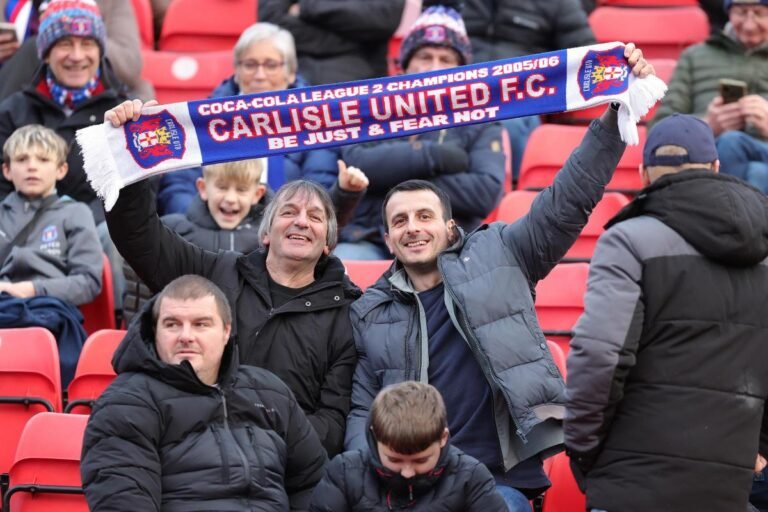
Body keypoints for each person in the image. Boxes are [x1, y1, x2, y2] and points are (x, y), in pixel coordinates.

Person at [344, 43, 655, 510]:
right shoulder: (370, 310)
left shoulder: (501, 252)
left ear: (450, 227)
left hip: (499, 479)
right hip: (412, 484)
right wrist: (362, 483)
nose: (413, 228)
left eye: (424, 216)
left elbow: (567, 199)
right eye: (400, 221)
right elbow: (361, 409)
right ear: (387, 239)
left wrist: (614, 114)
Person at [104, 98, 362, 457]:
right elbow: (140, 239)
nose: (301, 221)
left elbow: (333, 425)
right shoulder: (218, 272)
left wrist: (262, 438)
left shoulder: (348, 313)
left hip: (282, 467)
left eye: (315, 217)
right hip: (195, 452)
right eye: (288, 212)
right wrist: (132, 153)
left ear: (328, 244)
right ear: (266, 234)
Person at [564, 114, 768, 512]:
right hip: (728, 488)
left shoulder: (627, 240)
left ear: (643, 175)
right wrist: (756, 449)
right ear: (715, 167)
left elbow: (600, 357)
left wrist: (583, 450)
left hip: (631, 487)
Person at [81, 274, 327, 511]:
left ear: (226, 332)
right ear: (155, 332)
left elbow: (313, 485)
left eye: (201, 324)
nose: (186, 336)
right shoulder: (127, 403)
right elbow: (123, 500)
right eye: (172, 324)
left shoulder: (270, 392)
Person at [334, 6, 505, 260]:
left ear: (462, 71)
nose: (434, 68)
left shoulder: (480, 120)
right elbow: (358, 163)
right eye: (425, 57)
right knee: (346, 263)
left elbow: (484, 192)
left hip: (448, 247)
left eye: (446, 60)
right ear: (404, 66)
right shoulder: (374, 111)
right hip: (371, 239)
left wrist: (392, 173)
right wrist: (432, 156)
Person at [121, 157, 367, 325]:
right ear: (202, 188)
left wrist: (344, 194)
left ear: (258, 193)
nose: (230, 199)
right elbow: (141, 244)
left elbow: (313, 234)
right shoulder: (177, 229)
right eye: (222, 187)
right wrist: (131, 165)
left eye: (240, 190)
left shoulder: (274, 241)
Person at [157, 21, 340, 216]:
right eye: (250, 65)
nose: (259, 75)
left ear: (291, 73)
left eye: (271, 65)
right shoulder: (207, 118)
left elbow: (319, 188)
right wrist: (201, 224)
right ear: (236, 71)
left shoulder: (315, 119)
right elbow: (178, 187)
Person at [0, 124, 102, 385]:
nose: (32, 167)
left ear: (61, 170)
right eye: (22, 159)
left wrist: (31, 290)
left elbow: (89, 282)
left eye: (43, 160)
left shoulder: (76, 213)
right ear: (7, 170)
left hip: (49, 314)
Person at [309, 381, 507, 511]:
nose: (407, 472)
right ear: (375, 437)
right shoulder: (344, 472)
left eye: (421, 460)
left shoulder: (471, 478)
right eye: (394, 459)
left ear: (443, 438)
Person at [652, 0, 768, 193]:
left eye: (759, 13)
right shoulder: (695, 56)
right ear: (729, 13)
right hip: (709, 157)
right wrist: (706, 127)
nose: (749, 25)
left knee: (733, 143)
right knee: (756, 171)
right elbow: (660, 130)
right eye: (741, 13)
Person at [0, 0, 152, 100]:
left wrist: (79, 27)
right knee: (31, 48)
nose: (76, 55)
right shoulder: (9, 4)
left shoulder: (110, 3)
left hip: (99, 93)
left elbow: (129, 65)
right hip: (23, 91)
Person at [258, 0, 405, 85]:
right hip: (294, 85)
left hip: (363, 89)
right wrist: (355, 39)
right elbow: (272, 23)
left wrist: (306, 7)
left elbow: (384, 19)